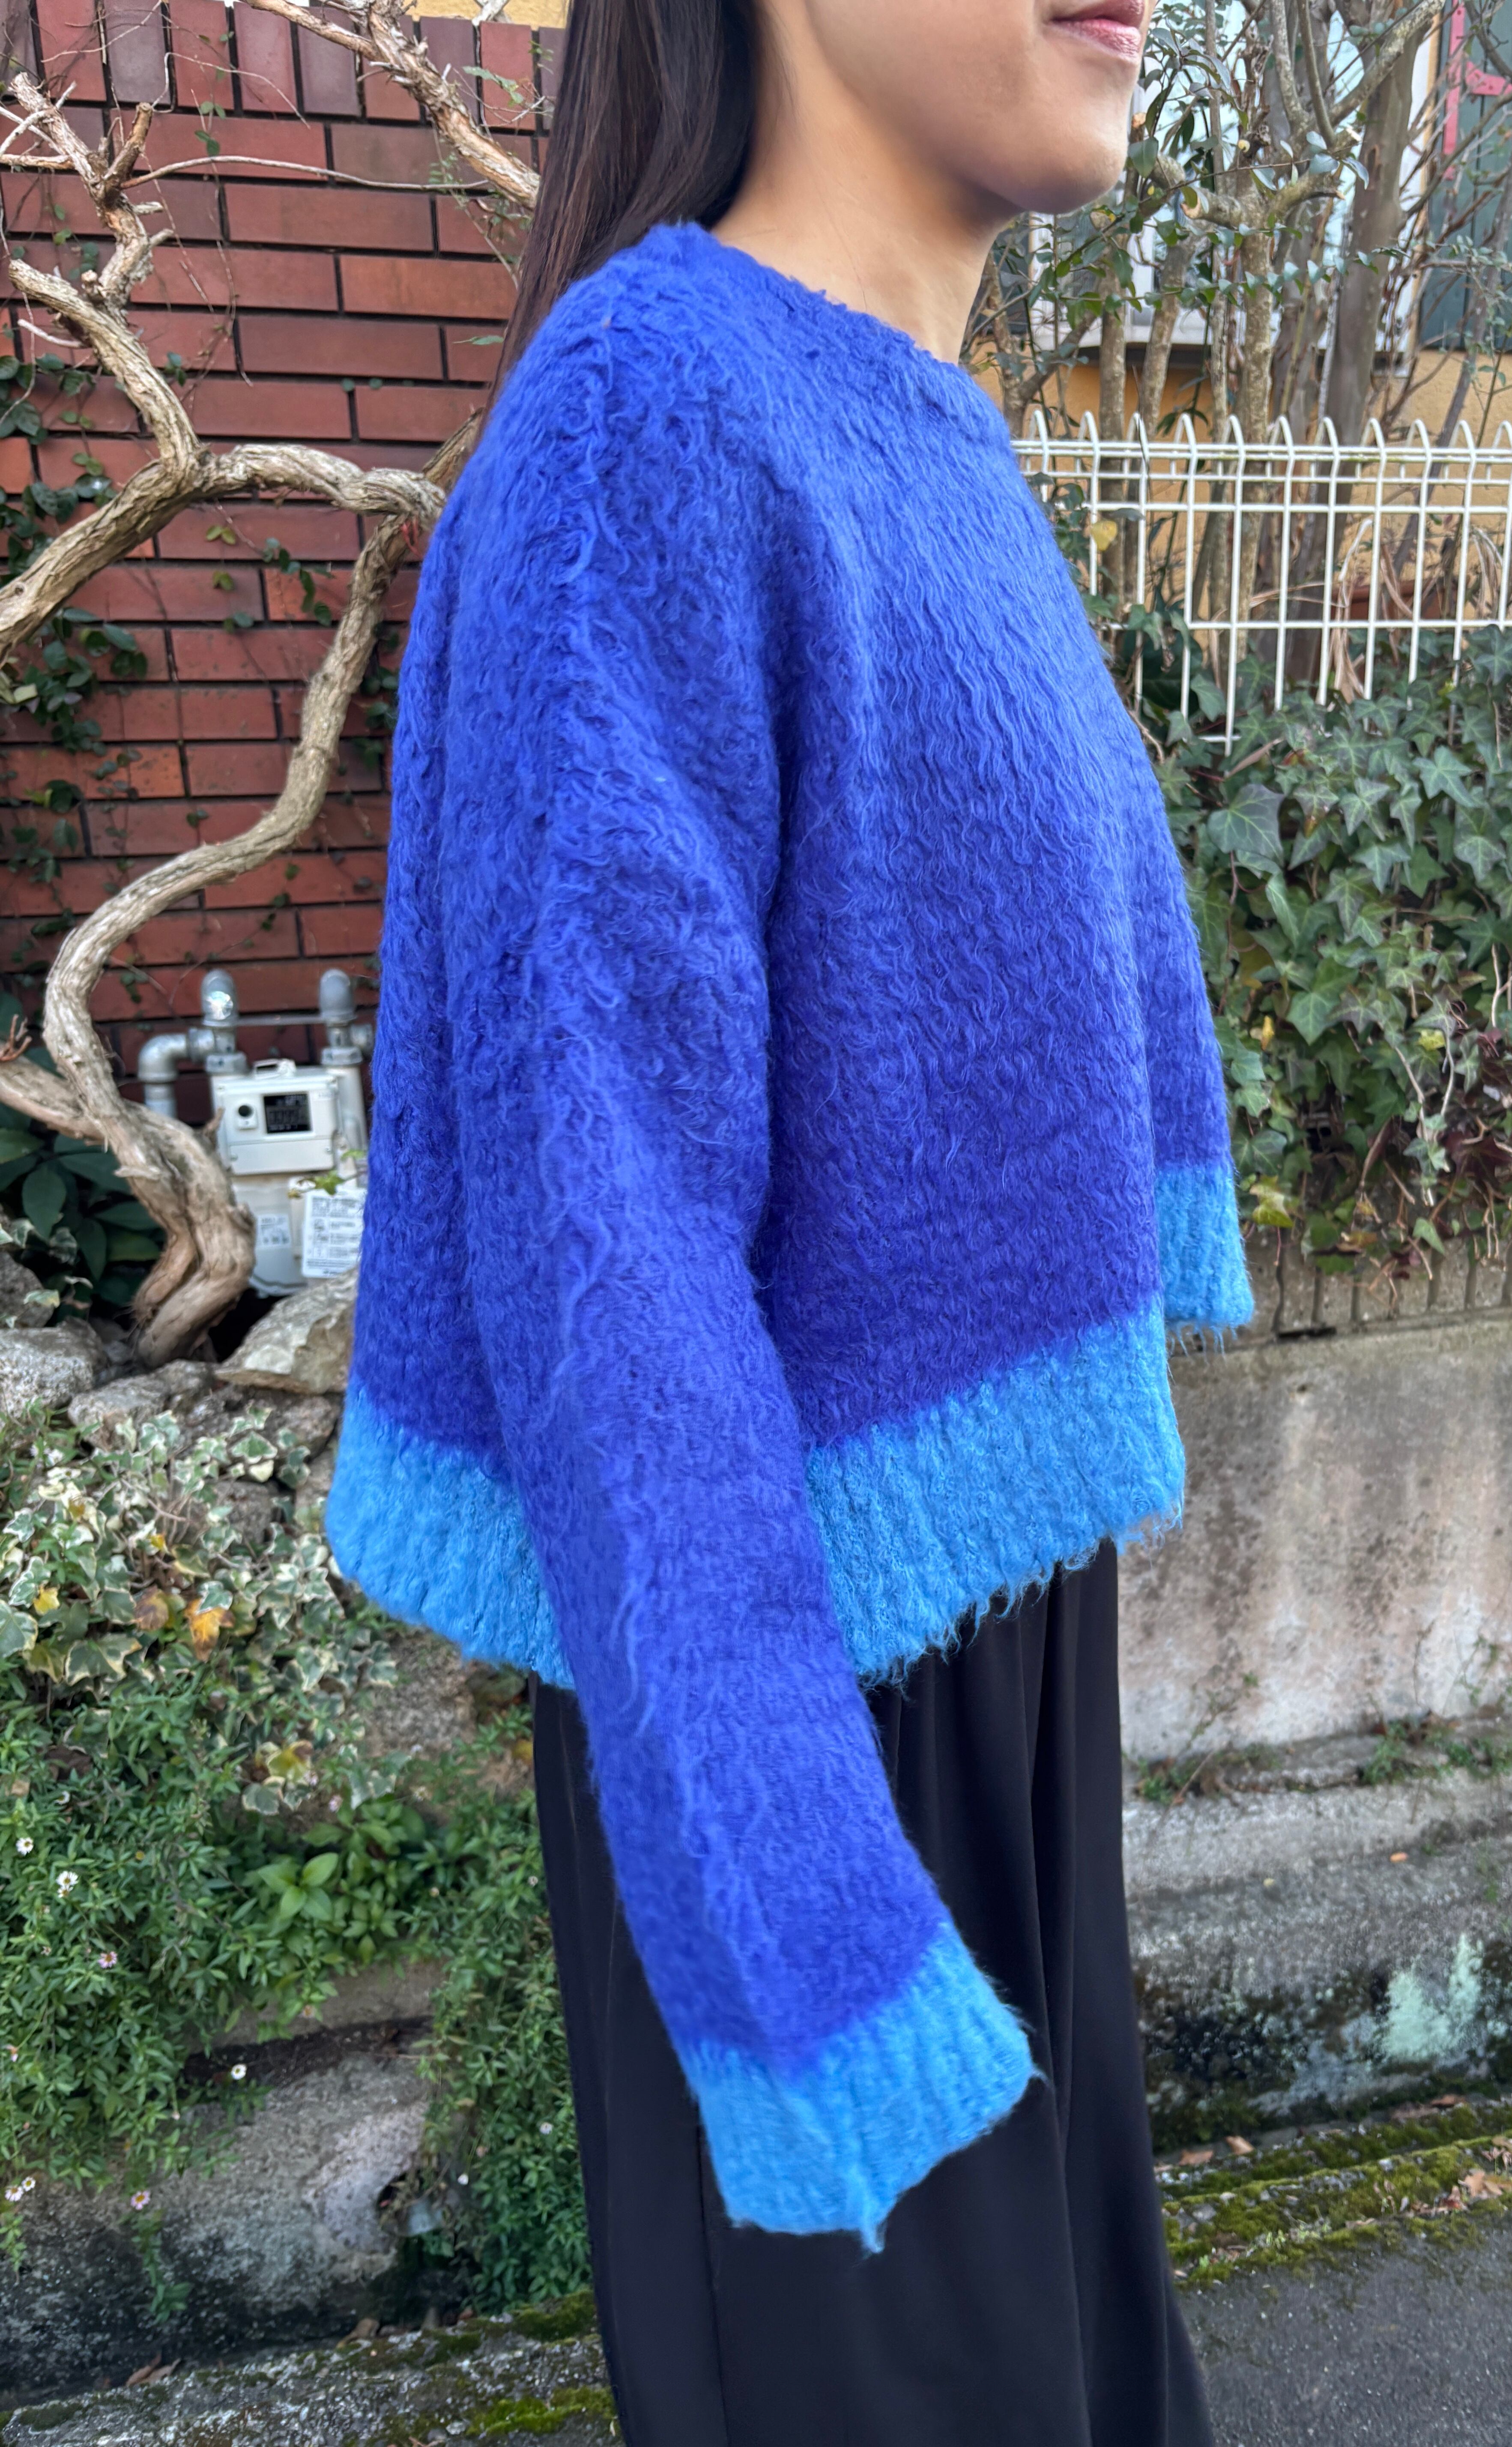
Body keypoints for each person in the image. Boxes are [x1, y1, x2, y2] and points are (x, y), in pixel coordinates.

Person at [325, 1, 1250, 2438]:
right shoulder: (648, 422)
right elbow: (604, 1260)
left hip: (997, 1637)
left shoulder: (927, 426)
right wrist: (799, 1929)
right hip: (795, 1698)